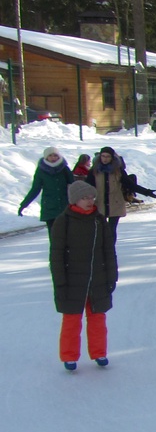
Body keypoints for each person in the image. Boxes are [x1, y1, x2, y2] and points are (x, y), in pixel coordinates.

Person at [50, 180, 117, 370]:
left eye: (91, 197)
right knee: (71, 318)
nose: (89, 201)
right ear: (74, 200)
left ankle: (99, 352)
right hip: (72, 280)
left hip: (97, 278)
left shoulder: (98, 220)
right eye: (84, 198)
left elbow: (108, 250)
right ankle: (69, 356)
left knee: (97, 317)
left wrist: (111, 276)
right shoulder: (64, 220)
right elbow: (56, 254)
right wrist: (60, 281)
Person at [19, 146, 74, 234]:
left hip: (64, 206)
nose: (53, 158)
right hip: (49, 207)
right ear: (46, 157)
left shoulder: (64, 169)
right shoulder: (41, 170)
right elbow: (35, 189)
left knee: (66, 235)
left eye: (55, 155)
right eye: (50, 156)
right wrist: (24, 204)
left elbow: (73, 186)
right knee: (53, 235)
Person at [85, 146, 129, 244]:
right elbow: (88, 186)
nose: (105, 159)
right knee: (101, 229)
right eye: (103, 156)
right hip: (99, 202)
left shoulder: (118, 170)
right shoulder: (94, 171)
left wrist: (145, 191)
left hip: (115, 202)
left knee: (111, 229)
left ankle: (110, 250)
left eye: (108, 156)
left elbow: (129, 183)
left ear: (112, 158)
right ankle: (102, 250)